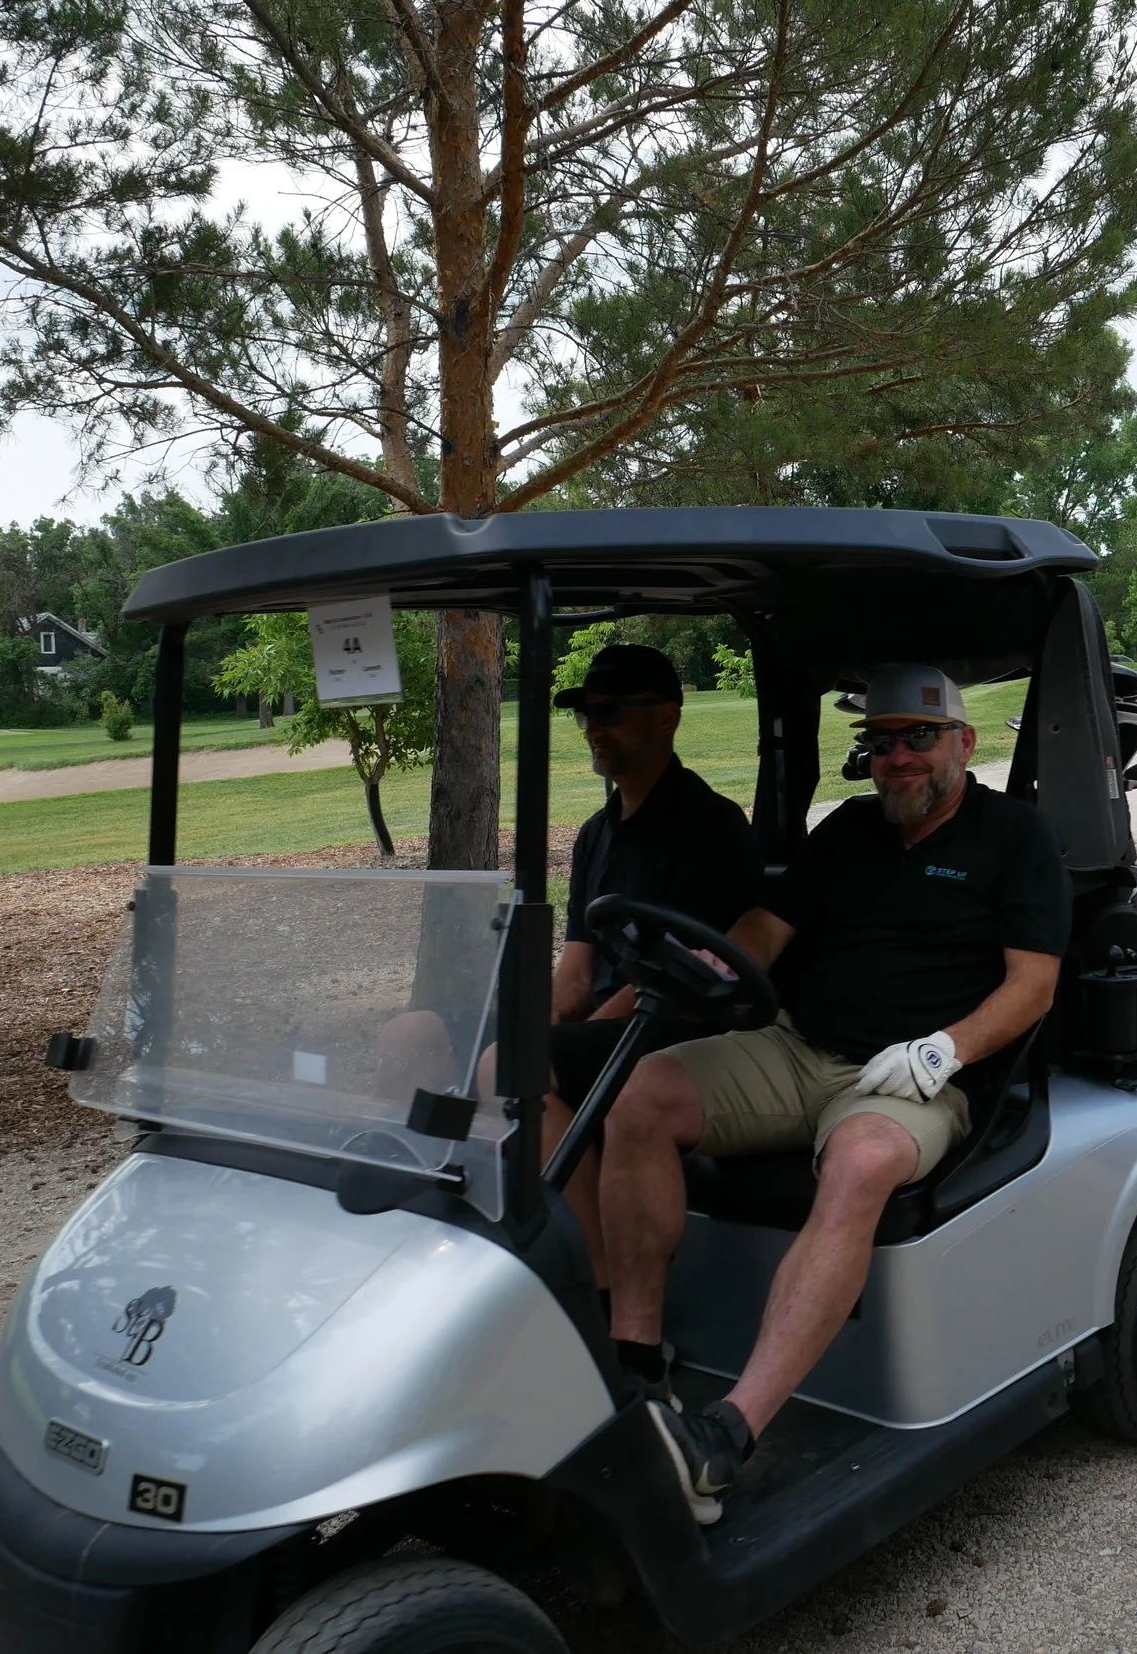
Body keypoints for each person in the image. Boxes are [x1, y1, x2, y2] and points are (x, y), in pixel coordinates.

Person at [599, 665, 1067, 1524]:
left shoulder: (1015, 837)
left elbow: (1033, 984)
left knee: (857, 1161)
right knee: (640, 1095)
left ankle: (726, 1439)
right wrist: (711, 961)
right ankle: (637, 1368)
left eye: (919, 738)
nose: (899, 759)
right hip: (800, 1047)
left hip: (918, 1077)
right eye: (882, 743)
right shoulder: (849, 830)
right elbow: (769, 926)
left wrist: (943, 1050)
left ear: (963, 741)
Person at [378, 642, 759, 1288]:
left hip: (674, 1025)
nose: (593, 727)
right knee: (412, 1034)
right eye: (584, 713)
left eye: (609, 711)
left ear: (666, 715)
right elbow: (576, 973)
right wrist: (525, 1022)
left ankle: (592, 1283)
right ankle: (427, 1220)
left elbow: (664, 982)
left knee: (511, 1064)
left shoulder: (709, 826)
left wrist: (532, 1045)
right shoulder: (596, 833)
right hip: (609, 1019)